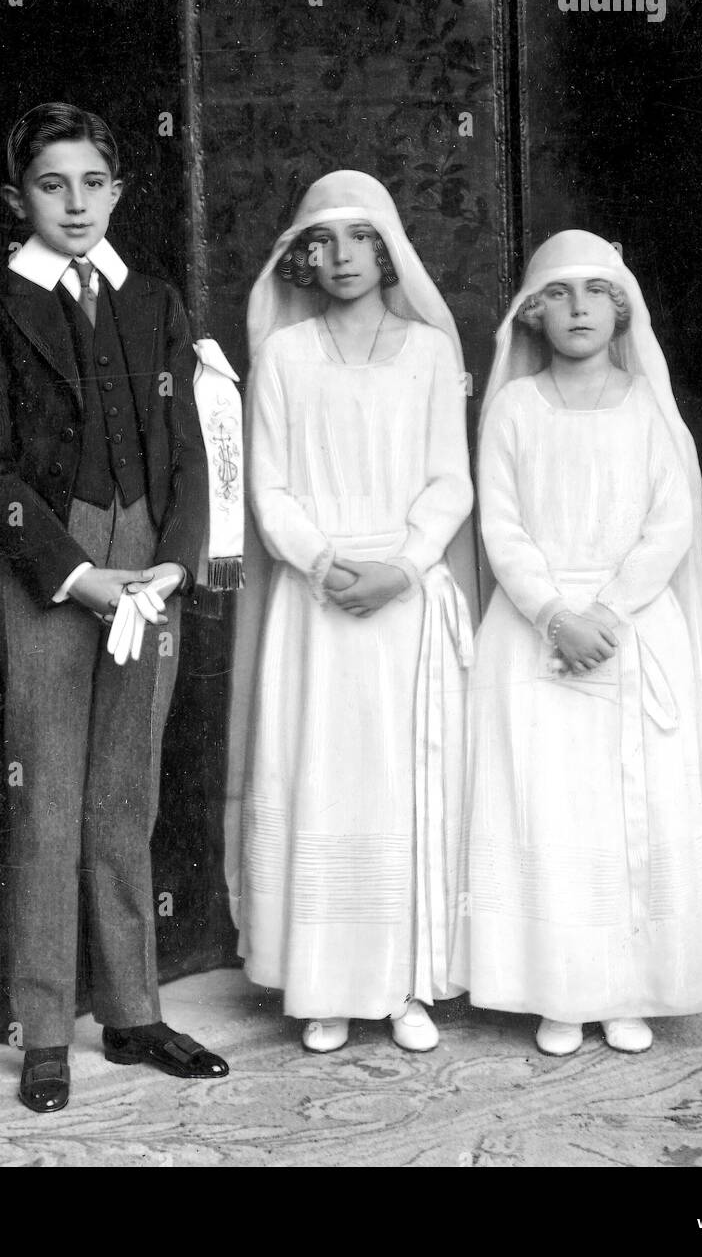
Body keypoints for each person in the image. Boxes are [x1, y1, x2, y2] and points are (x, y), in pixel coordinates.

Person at [0, 102, 228, 1112]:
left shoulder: (151, 298)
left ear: (117, 189)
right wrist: (73, 571)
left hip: (146, 564)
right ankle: (43, 1028)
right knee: (49, 798)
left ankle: (133, 1012)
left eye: (92, 183)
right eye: (52, 185)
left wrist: (174, 563)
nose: (74, 203)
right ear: (20, 197)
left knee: (124, 796)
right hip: (52, 569)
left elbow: (197, 448)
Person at [451, 230, 702, 1056]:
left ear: (620, 311)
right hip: (537, 631)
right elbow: (501, 525)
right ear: (533, 314)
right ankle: (560, 990)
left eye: (595, 293)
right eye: (558, 294)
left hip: (630, 631)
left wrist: (610, 616)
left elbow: (670, 525)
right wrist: (555, 614)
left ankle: (630, 988)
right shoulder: (513, 407)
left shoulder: (648, 407)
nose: (578, 308)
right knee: (549, 810)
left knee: (635, 813)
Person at [225, 170, 477, 1054]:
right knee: (322, 779)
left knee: (405, 787)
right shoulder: (286, 357)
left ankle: (409, 986)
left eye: (358, 240)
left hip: (403, 600)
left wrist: (402, 567)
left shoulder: (431, 353)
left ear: (387, 249)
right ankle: (324, 986)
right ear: (301, 256)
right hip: (318, 601)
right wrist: (329, 564)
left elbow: (452, 479)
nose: (340, 259)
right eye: (322, 243)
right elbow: (271, 488)